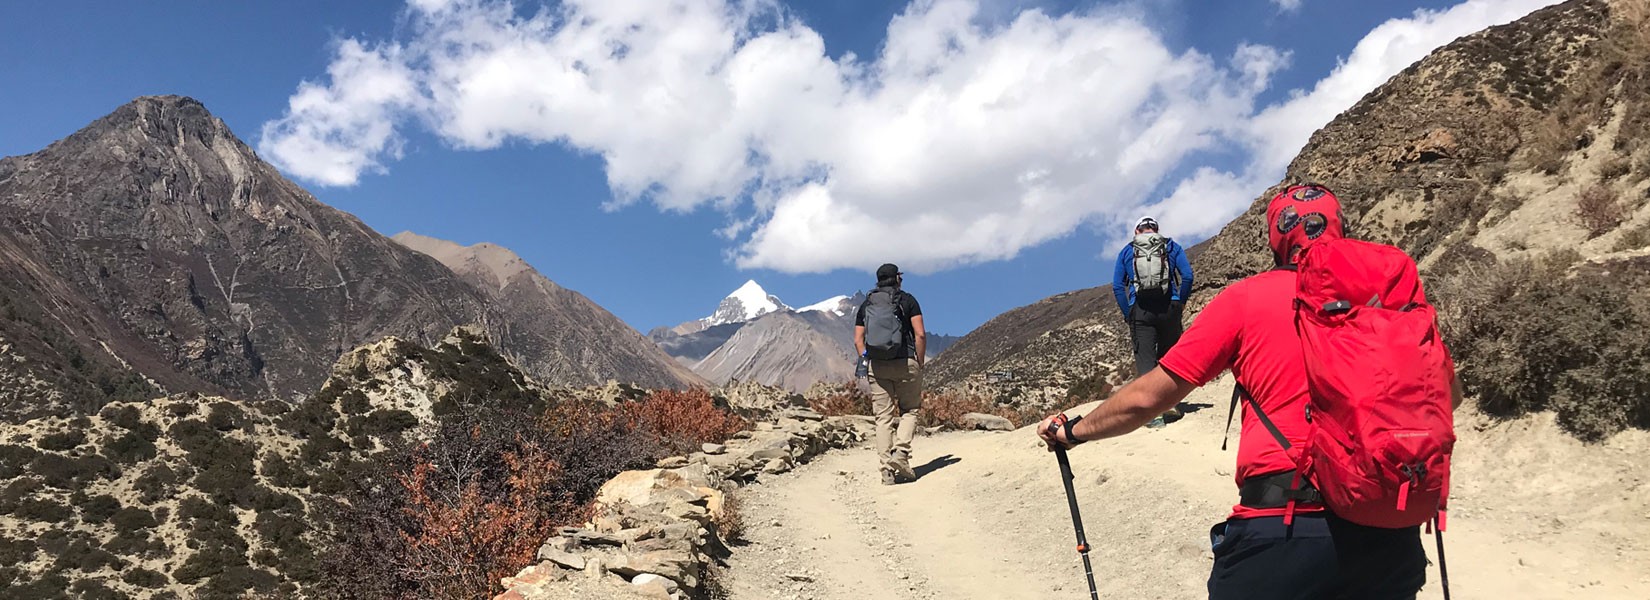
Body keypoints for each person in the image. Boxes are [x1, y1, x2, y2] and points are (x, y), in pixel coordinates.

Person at [1040, 185, 1464, 599]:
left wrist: (1073, 431)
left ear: (1276, 240)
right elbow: (1449, 395)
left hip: (1282, 528)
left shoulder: (1246, 299)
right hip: (1387, 534)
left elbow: (1148, 398)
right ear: (1342, 227)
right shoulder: (1389, 298)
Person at [1112, 216, 1193, 427]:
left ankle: (1153, 416)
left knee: (1146, 361)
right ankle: (1170, 404)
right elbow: (1188, 276)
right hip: (1169, 308)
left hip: (1141, 311)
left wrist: (1127, 313)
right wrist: (1180, 303)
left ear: (1137, 231)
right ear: (1156, 230)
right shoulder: (1171, 246)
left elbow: (1118, 287)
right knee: (1170, 358)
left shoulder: (1127, 251)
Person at [854, 263, 927, 485]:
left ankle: (886, 470)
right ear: (897, 278)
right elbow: (920, 334)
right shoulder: (908, 300)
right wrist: (919, 361)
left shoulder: (866, 305)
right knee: (910, 410)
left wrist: (866, 361)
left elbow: (858, 340)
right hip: (906, 362)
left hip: (878, 365)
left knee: (883, 418)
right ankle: (901, 454)